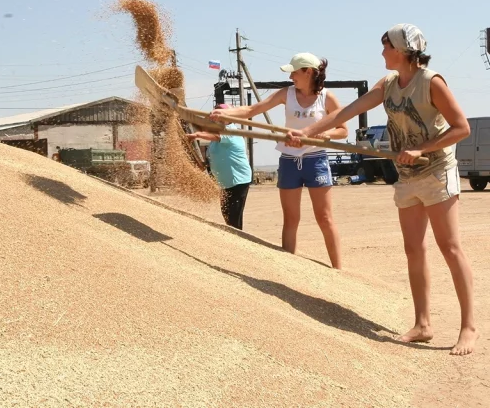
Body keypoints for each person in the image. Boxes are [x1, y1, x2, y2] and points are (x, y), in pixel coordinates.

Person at [285, 24, 478, 355]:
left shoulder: (431, 82)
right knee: (413, 250)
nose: (382, 52)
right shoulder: (388, 85)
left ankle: (468, 328)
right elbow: (349, 112)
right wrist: (309, 131)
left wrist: (422, 149)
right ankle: (422, 324)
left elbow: (462, 128)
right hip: (406, 176)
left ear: (402, 50)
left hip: (436, 172)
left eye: (386, 46)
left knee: (450, 248)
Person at [209, 53, 347, 269]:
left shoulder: (327, 98)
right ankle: (289, 269)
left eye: (294, 71)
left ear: (308, 72)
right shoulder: (286, 94)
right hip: (289, 161)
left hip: (316, 160)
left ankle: (340, 272)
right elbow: (252, 110)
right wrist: (226, 114)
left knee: (325, 218)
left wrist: (324, 134)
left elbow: (343, 130)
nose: (291, 76)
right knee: (291, 219)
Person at [187, 103, 252, 230]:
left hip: (238, 181)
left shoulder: (231, 130)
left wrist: (196, 135)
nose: (218, 117)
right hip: (224, 183)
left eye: (222, 114)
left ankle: (239, 243)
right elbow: (215, 155)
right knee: (226, 213)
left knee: (234, 217)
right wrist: (205, 165)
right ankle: (234, 240)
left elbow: (216, 137)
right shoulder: (216, 135)